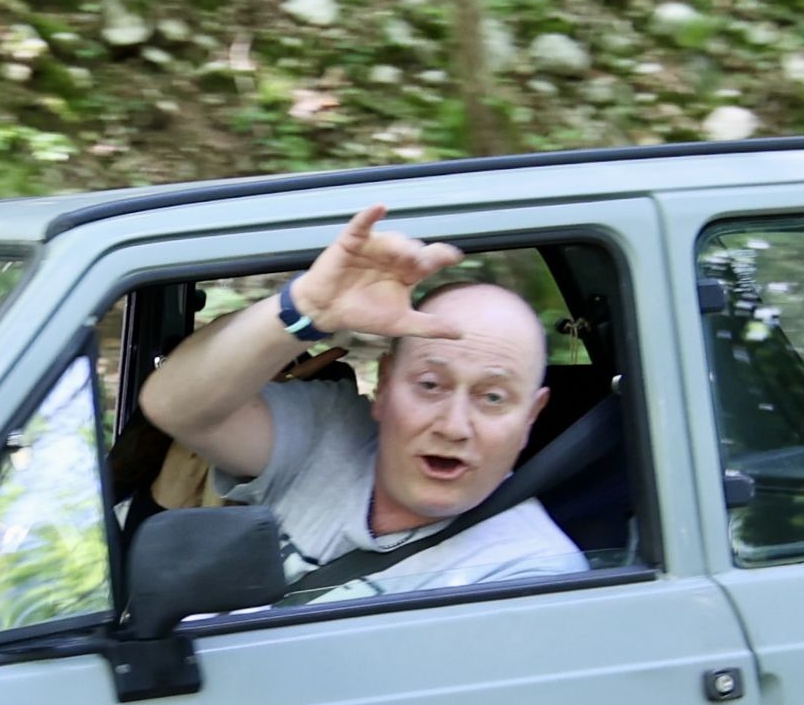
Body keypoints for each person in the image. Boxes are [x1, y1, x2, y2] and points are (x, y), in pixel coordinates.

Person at [136, 203, 587, 598]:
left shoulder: (532, 574)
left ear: (531, 417)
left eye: (492, 397)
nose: (454, 426)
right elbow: (173, 407)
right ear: (384, 386)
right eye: (431, 385)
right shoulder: (330, 429)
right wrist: (305, 310)